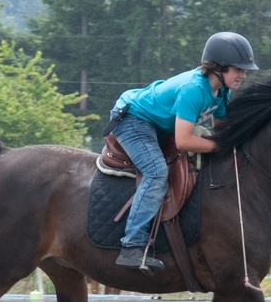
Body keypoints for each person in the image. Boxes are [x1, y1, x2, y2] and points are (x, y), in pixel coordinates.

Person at [108, 31, 258, 272]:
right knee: (156, 172)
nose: (243, 75)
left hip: (155, 123)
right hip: (133, 120)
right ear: (218, 68)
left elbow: (222, 127)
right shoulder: (193, 89)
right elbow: (183, 141)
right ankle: (132, 246)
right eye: (238, 69)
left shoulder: (222, 91)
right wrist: (220, 146)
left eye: (244, 69)